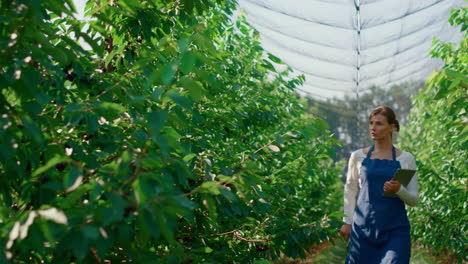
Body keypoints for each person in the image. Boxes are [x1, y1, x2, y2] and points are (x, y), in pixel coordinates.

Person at [339, 105, 419, 264]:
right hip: (363, 230)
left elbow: (414, 200)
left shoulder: (406, 159)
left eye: (379, 123)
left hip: (395, 231)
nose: (373, 128)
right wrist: (347, 221)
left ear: (392, 127)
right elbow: (350, 189)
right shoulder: (357, 157)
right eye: (371, 123)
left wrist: (399, 190)